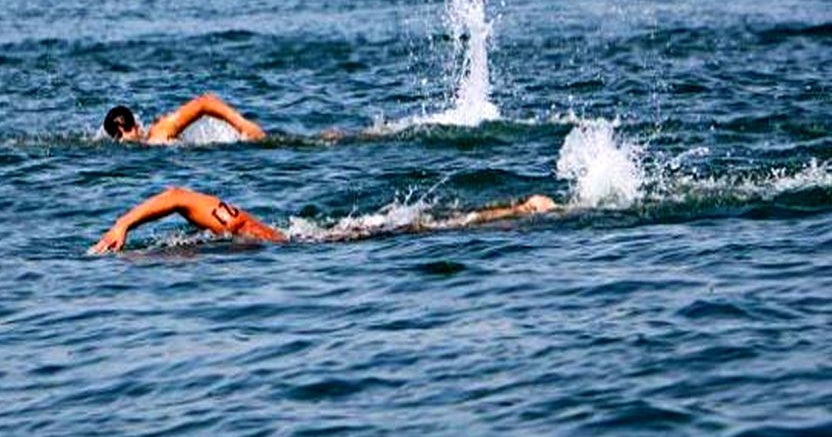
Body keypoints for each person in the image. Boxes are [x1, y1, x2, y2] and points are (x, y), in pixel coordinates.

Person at [88, 185, 558, 254]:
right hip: (303, 242)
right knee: (426, 225)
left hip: (308, 245)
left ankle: (522, 210)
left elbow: (173, 194)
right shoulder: (220, 222)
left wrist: (123, 225)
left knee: (435, 227)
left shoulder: (212, 214)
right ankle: (518, 210)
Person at [102, 93, 266, 144]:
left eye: (120, 136)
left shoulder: (160, 131)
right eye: (117, 139)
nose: (122, 141)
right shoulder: (148, 140)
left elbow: (204, 102)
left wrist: (243, 125)